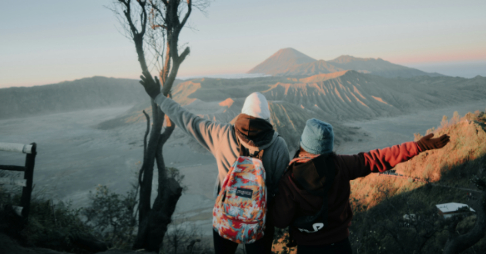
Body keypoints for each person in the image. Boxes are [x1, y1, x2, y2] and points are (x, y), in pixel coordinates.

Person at [139, 74, 290, 254]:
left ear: (242, 112)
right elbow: (281, 190)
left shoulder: (221, 134)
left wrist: (158, 96)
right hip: (259, 221)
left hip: (226, 216)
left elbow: (186, 119)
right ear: (267, 118)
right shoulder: (279, 145)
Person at [272, 118, 450, 254]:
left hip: (308, 248)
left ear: (303, 144)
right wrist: (418, 146)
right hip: (341, 245)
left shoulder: (290, 179)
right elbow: (378, 158)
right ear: (328, 147)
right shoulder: (341, 164)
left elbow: (281, 221)